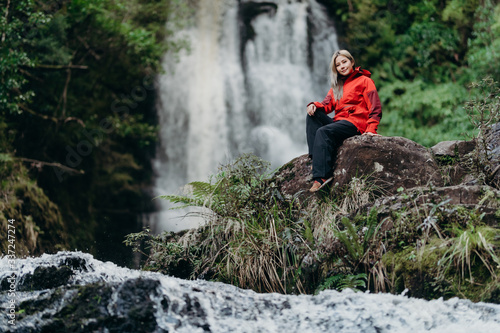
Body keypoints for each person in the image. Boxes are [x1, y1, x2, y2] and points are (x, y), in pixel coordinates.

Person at [306, 50, 382, 192]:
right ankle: (315, 159)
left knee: (323, 131)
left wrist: (371, 129)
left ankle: (321, 177)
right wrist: (313, 105)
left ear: (352, 62)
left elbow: (375, 107)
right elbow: (326, 105)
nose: (342, 66)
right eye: (338, 65)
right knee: (313, 114)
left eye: (344, 62)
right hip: (339, 123)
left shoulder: (365, 81)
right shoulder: (337, 86)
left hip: (355, 123)